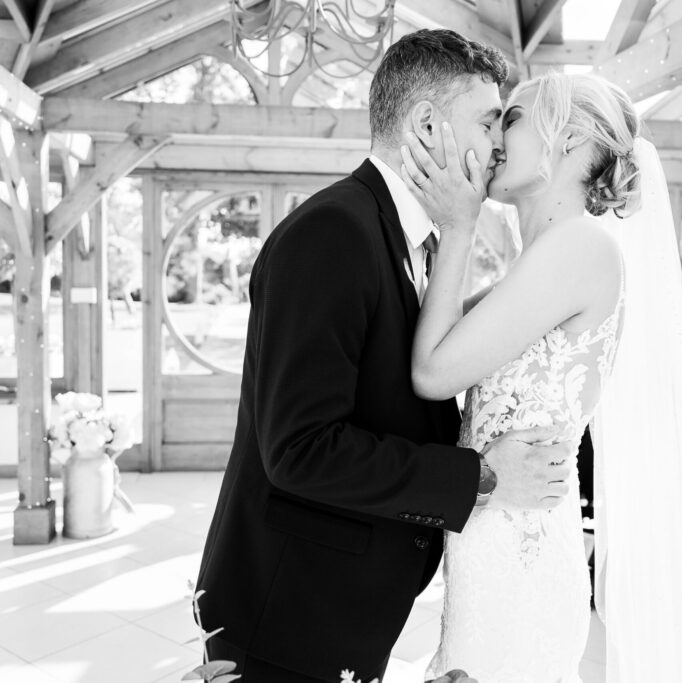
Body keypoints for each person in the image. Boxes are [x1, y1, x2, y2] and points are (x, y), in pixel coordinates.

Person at [194, 30, 577, 683]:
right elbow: (300, 450)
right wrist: (480, 476)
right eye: (488, 120)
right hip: (288, 619)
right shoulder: (333, 232)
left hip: (335, 613)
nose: (497, 145)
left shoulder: (411, 241)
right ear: (427, 124)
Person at [400, 71, 682, 682]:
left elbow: (432, 373)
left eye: (511, 119)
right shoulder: (544, 259)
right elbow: (432, 343)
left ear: (567, 140)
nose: (493, 137)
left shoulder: (580, 248)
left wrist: (460, 225)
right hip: (491, 540)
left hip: (522, 558)